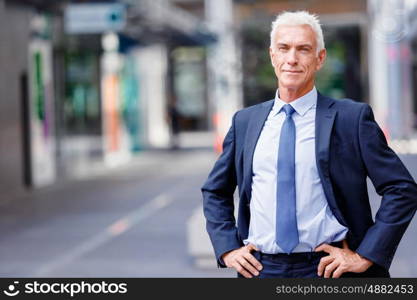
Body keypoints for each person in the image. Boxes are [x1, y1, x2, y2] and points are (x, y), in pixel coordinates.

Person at [201, 11, 417, 278]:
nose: (292, 59)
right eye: (284, 48)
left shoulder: (352, 119)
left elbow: (401, 188)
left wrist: (366, 255)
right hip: (260, 269)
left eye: (303, 49)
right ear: (272, 55)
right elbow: (215, 190)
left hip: (329, 269)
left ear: (320, 58)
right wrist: (228, 248)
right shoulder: (246, 121)